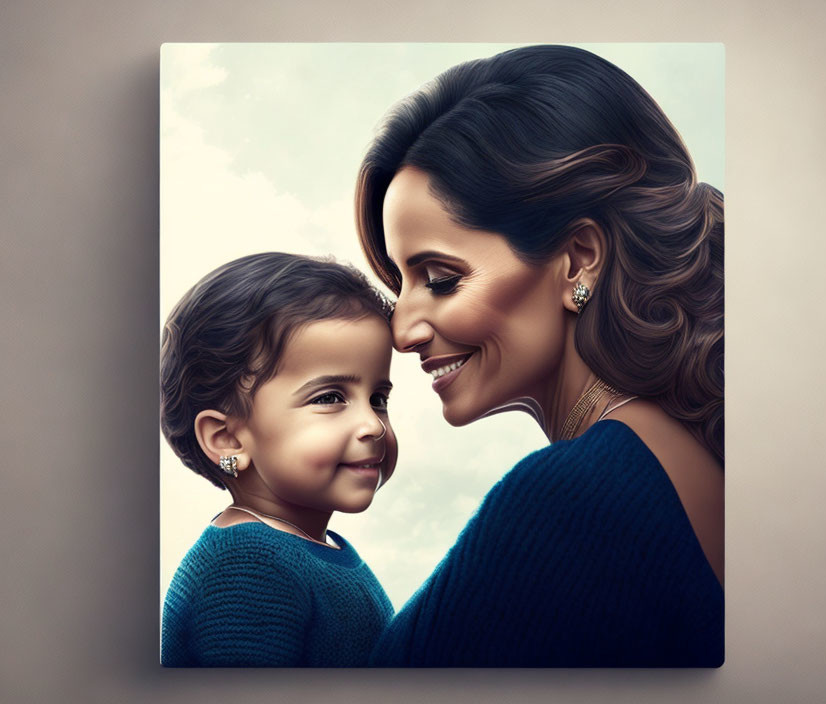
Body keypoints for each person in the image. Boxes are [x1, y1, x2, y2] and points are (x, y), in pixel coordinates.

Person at [356, 45, 724, 666]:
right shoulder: (693, 463)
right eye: (399, 283)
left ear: (579, 258)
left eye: (441, 278)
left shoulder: (575, 504)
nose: (403, 329)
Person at [159, 252, 397, 667]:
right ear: (228, 438)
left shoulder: (314, 548)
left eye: (378, 399)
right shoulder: (248, 563)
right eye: (330, 398)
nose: (373, 426)